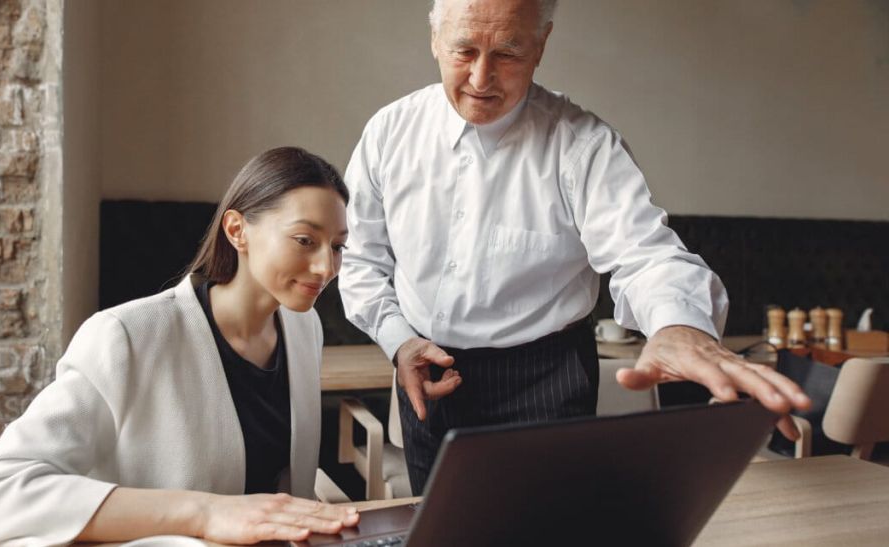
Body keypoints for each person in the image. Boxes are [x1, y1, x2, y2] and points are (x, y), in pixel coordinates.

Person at [338, 0, 812, 493]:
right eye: (464, 50)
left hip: (546, 380)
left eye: (507, 52)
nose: (481, 77)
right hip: (426, 373)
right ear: (435, 40)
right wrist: (398, 340)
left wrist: (678, 327)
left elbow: (646, 254)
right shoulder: (388, 134)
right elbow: (359, 259)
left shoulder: (582, 145)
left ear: (540, 46)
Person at [0, 147, 359, 545]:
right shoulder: (126, 336)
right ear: (237, 230)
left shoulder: (303, 327)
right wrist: (204, 513)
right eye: (305, 240)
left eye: (338, 246)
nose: (327, 267)